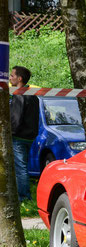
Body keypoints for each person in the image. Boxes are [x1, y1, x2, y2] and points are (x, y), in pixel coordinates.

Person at [9, 66, 39, 202]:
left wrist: (10, 132)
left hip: (19, 137)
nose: (10, 78)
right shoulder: (33, 95)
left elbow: (16, 118)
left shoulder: (19, 94)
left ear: (19, 78)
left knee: (20, 168)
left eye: (11, 76)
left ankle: (24, 198)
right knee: (23, 166)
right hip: (29, 136)